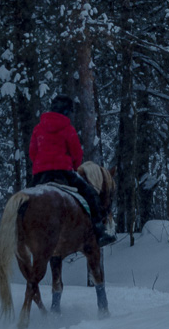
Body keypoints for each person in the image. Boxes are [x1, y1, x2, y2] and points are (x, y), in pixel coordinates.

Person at [29, 94, 116, 247]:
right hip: (63, 172)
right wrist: (74, 167)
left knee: (25, 199)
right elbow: (77, 153)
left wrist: (40, 165)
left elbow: (32, 153)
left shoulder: (38, 128)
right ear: (67, 111)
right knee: (90, 195)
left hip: (40, 175)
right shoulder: (68, 128)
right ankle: (99, 231)